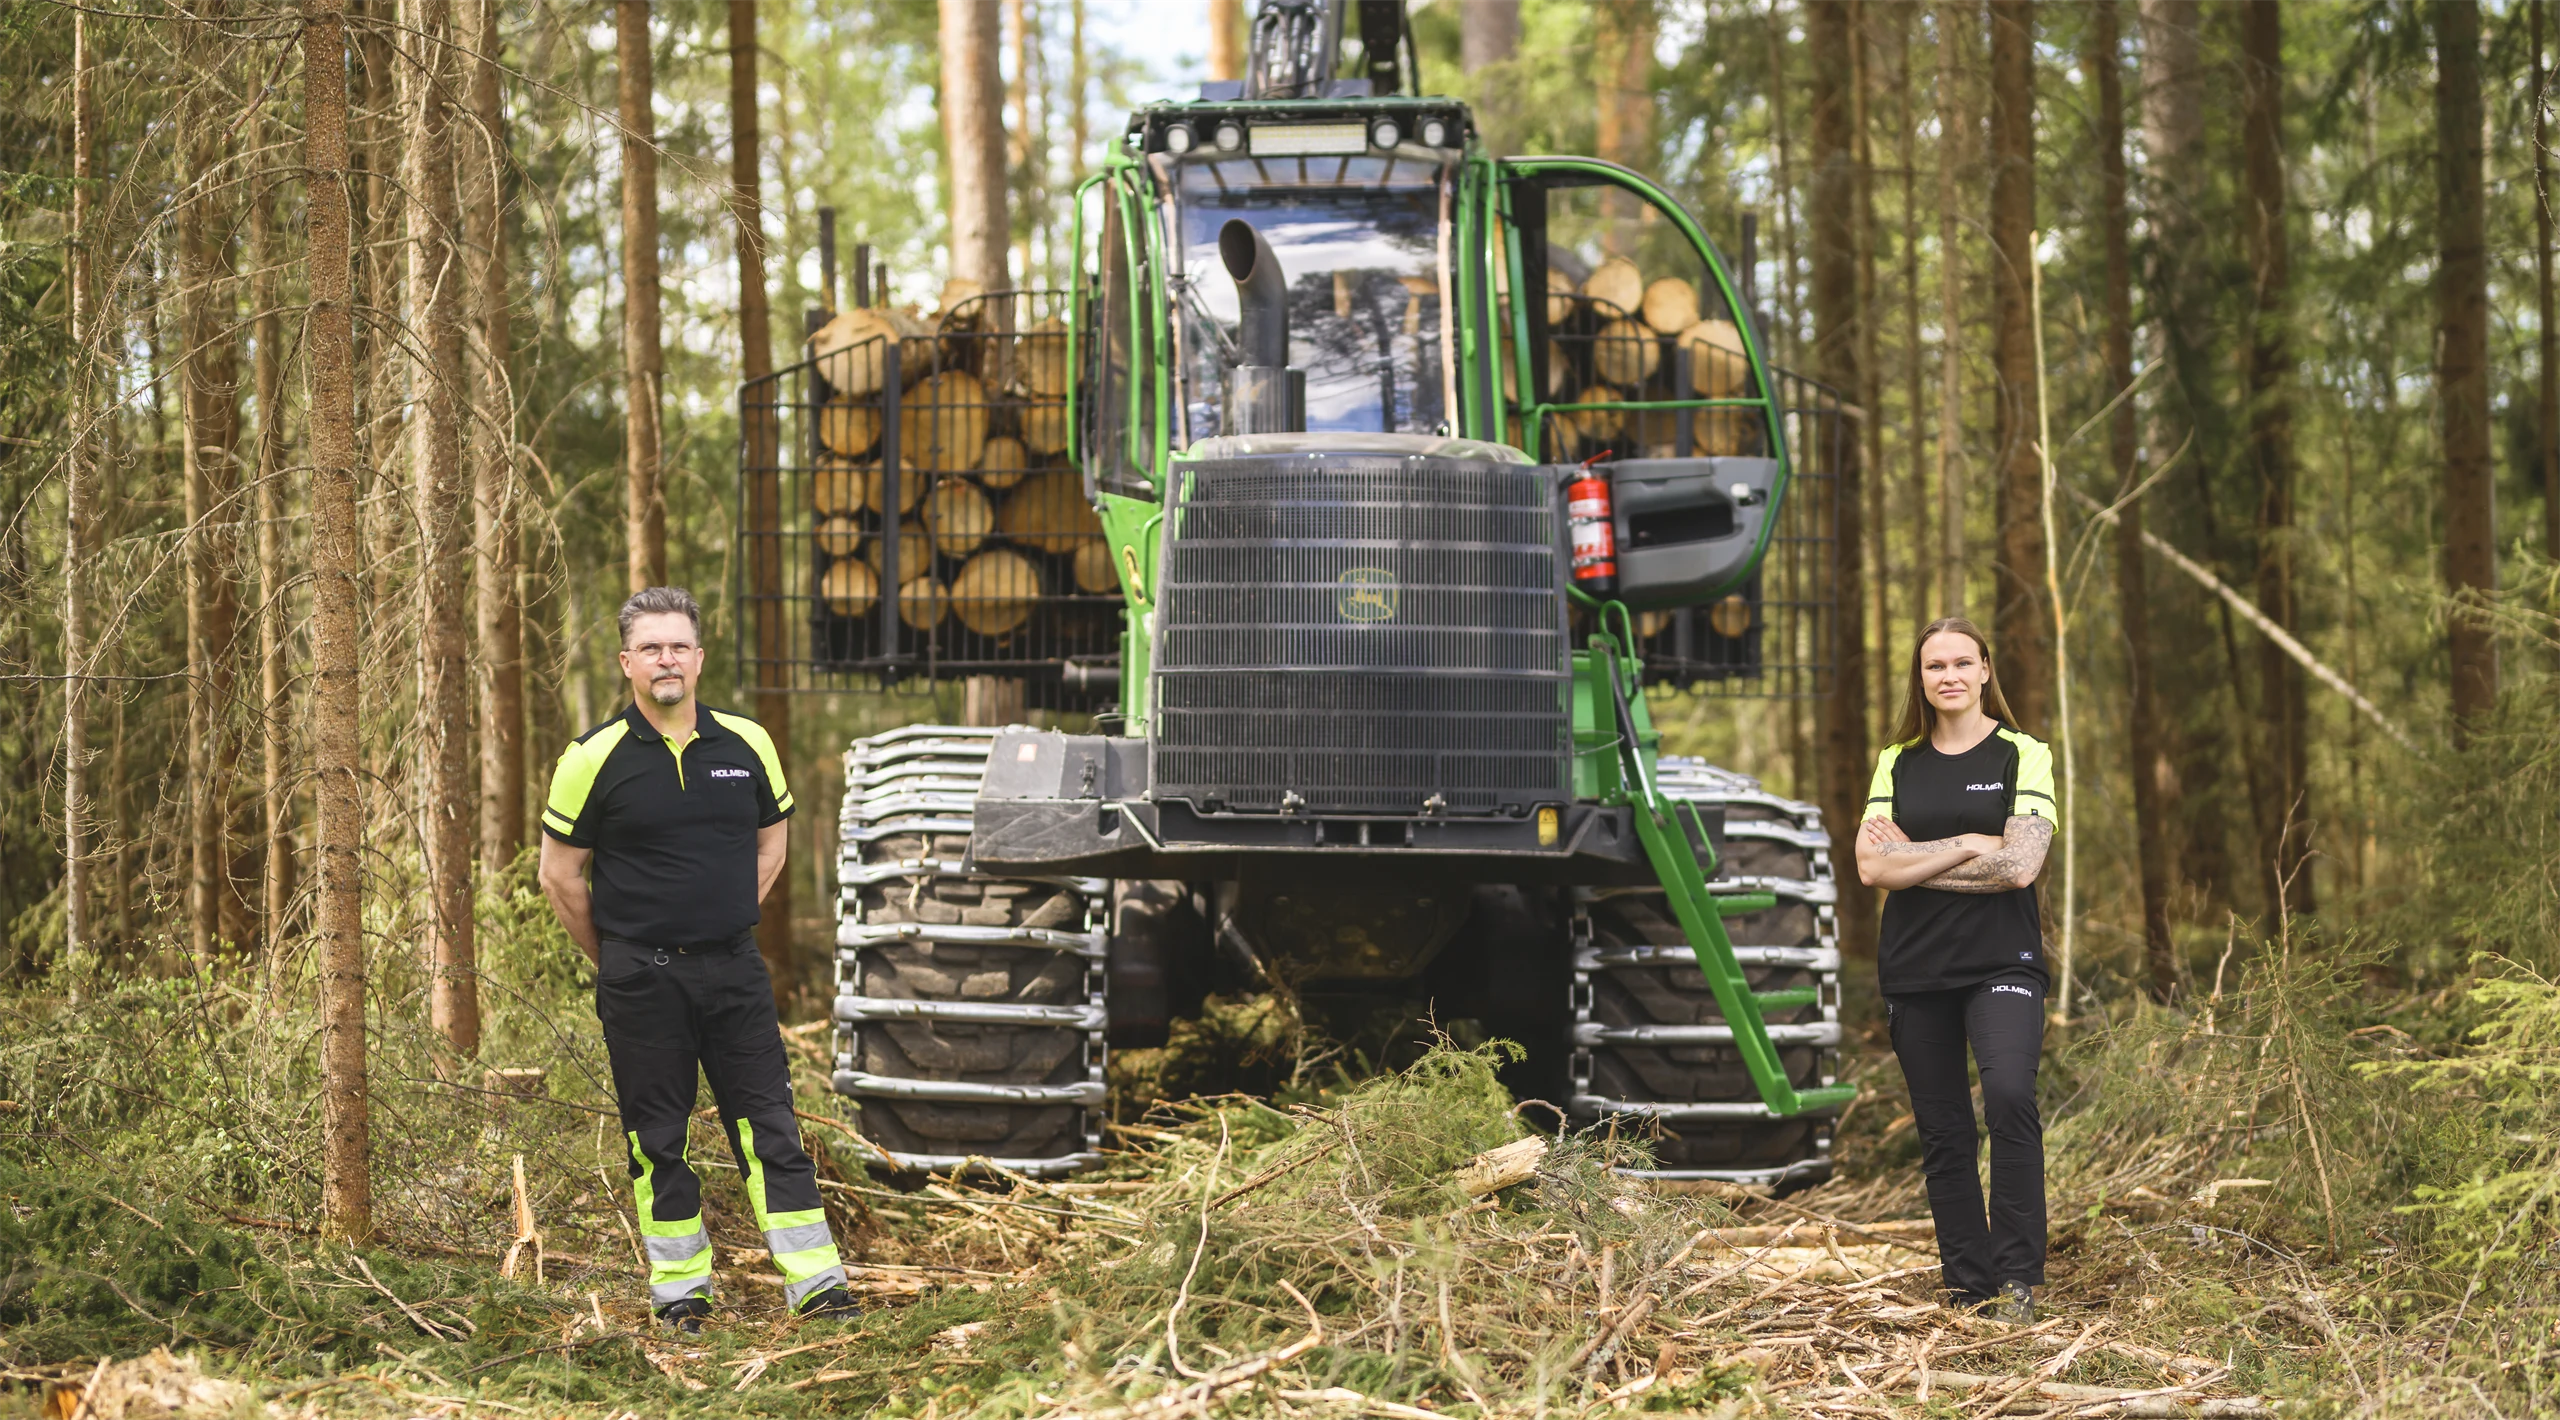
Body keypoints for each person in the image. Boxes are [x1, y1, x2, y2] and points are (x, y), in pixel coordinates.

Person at [538, 586, 859, 1333]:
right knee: (658, 1141)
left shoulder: (745, 743)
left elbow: (772, 842)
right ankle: (682, 1291)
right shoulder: (592, 758)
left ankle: (816, 1283)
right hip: (640, 979)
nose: (666, 658)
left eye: (678, 644)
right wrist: (618, 954)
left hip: (734, 969)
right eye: (651, 647)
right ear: (627, 663)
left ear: (699, 657)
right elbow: (560, 876)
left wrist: (720, 915)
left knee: (770, 1127)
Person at [1853, 616, 2056, 1325]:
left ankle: (2019, 1281)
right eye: (1934, 665)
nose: (1948, 676)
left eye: (1961, 663)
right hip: (1914, 969)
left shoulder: (2023, 754)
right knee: (1944, 1131)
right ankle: (1970, 1290)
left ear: (1985, 671)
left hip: (2004, 960)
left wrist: (1917, 862)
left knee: (2007, 1096)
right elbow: (1871, 865)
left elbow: (2021, 865)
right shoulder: (1897, 761)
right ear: (1922, 677)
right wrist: (1971, 842)